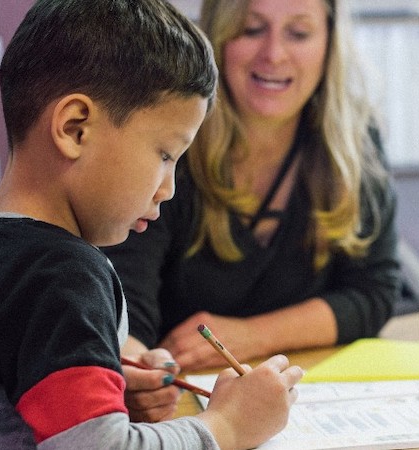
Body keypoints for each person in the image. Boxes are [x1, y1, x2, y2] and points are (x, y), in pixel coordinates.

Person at [0, 1, 303, 449]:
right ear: (74, 128)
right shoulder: (61, 276)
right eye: (165, 155)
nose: (168, 188)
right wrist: (227, 426)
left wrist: (100, 387)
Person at [105, 0, 400, 376]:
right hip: (183, 404)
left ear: (330, 43)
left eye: (298, 33)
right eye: (251, 29)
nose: (274, 54)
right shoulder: (169, 139)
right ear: (215, 37)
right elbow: (122, 306)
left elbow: (373, 293)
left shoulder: (353, 139)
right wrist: (140, 373)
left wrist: (253, 335)